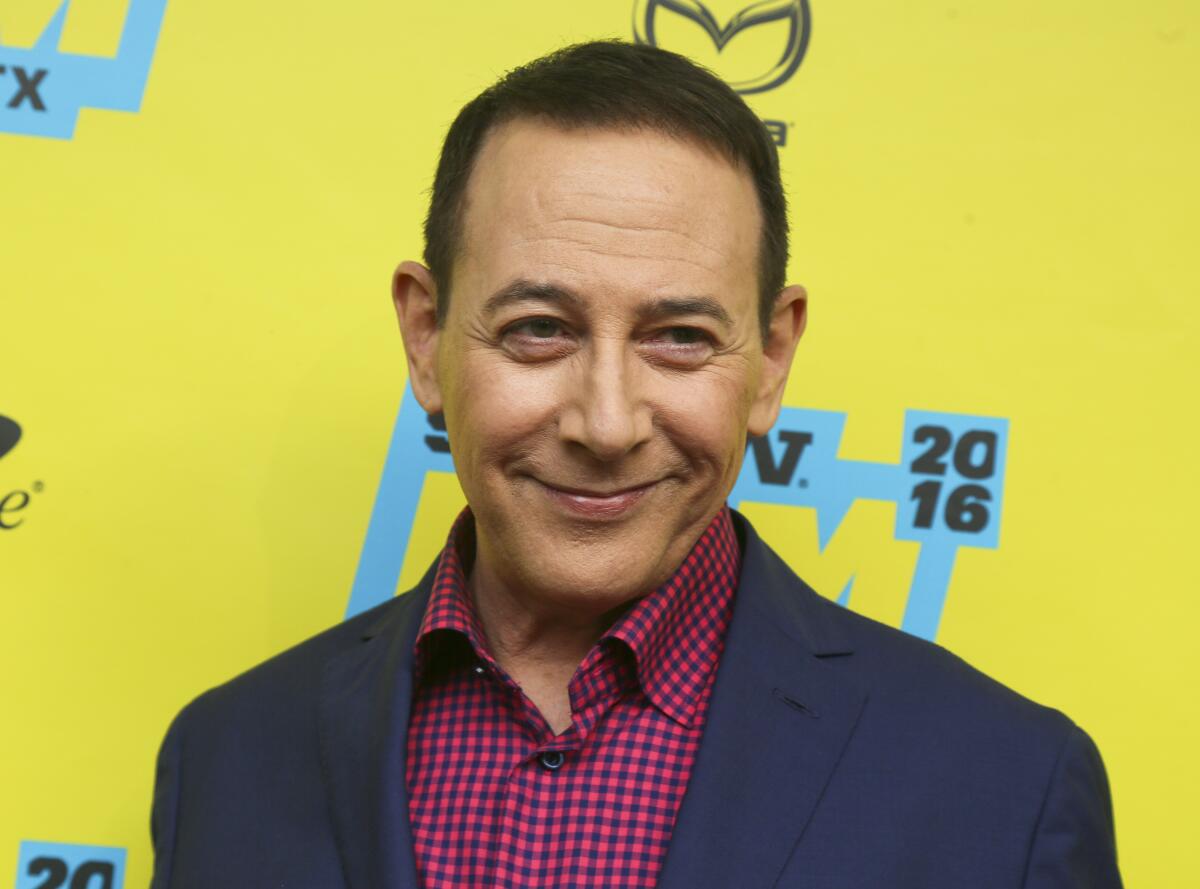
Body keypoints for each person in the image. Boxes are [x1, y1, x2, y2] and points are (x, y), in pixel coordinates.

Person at [148, 41, 1122, 888]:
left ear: (772, 359)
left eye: (680, 337)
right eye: (537, 329)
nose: (606, 422)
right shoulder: (225, 757)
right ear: (425, 333)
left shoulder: (1006, 785)